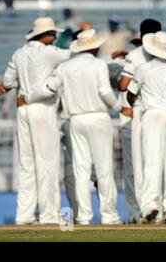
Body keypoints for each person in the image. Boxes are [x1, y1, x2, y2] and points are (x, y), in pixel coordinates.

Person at [20, 29, 123, 225]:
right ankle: (109, 216)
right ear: (95, 47)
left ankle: (84, 216)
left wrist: (27, 97)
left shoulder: (65, 67)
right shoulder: (98, 65)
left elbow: (48, 89)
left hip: (75, 120)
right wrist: (119, 107)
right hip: (98, 117)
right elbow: (104, 91)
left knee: (80, 170)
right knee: (103, 169)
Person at [0, 17, 70, 225]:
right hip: (42, 109)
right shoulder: (48, 52)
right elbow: (74, 56)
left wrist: (6, 87)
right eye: (53, 34)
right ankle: (49, 215)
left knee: (26, 165)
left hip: (22, 110)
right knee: (46, 162)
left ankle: (24, 215)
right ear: (45, 36)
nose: (55, 38)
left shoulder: (19, 53)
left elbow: (9, 82)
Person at [126, 31, 166, 224]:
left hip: (153, 114)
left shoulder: (145, 68)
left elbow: (130, 94)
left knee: (152, 161)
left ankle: (150, 205)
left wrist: (138, 98)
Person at [118, 18, 161, 222]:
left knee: (138, 164)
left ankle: (140, 211)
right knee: (158, 162)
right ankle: (158, 209)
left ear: (141, 35)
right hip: (163, 111)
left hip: (139, 111)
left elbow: (123, 85)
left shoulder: (135, 56)